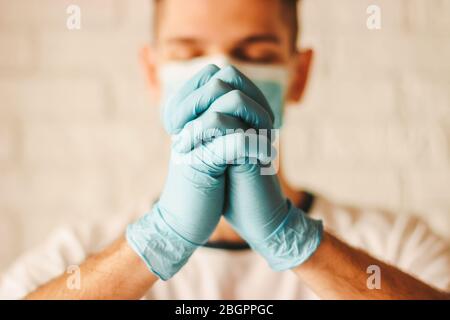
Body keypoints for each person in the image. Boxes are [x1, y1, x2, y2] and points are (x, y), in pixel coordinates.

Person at [0, 0, 449, 300]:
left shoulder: (397, 246)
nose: (222, 74)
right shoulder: (72, 255)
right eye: (188, 51)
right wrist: (159, 240)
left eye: (254, 51)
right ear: (152, 73)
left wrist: (296, 242)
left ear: (300, 73)